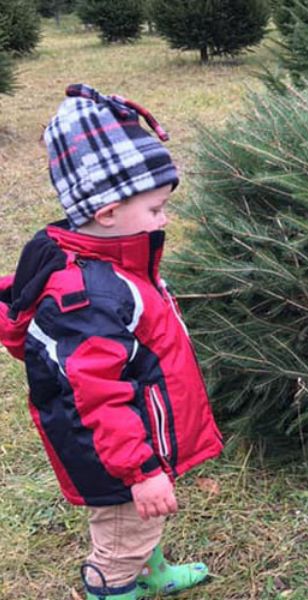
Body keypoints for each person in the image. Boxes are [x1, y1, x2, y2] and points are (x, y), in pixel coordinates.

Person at [0, 84, 224, 599]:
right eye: (156, 209)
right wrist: (140, 471)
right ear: (107, 212)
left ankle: (151, 571)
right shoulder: (89, 298)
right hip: (118, 455)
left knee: (144, 521)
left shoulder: (113, 263)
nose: (164, 220)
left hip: (135, 438)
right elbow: (96, 397)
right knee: (124, 533)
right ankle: (113, 586)